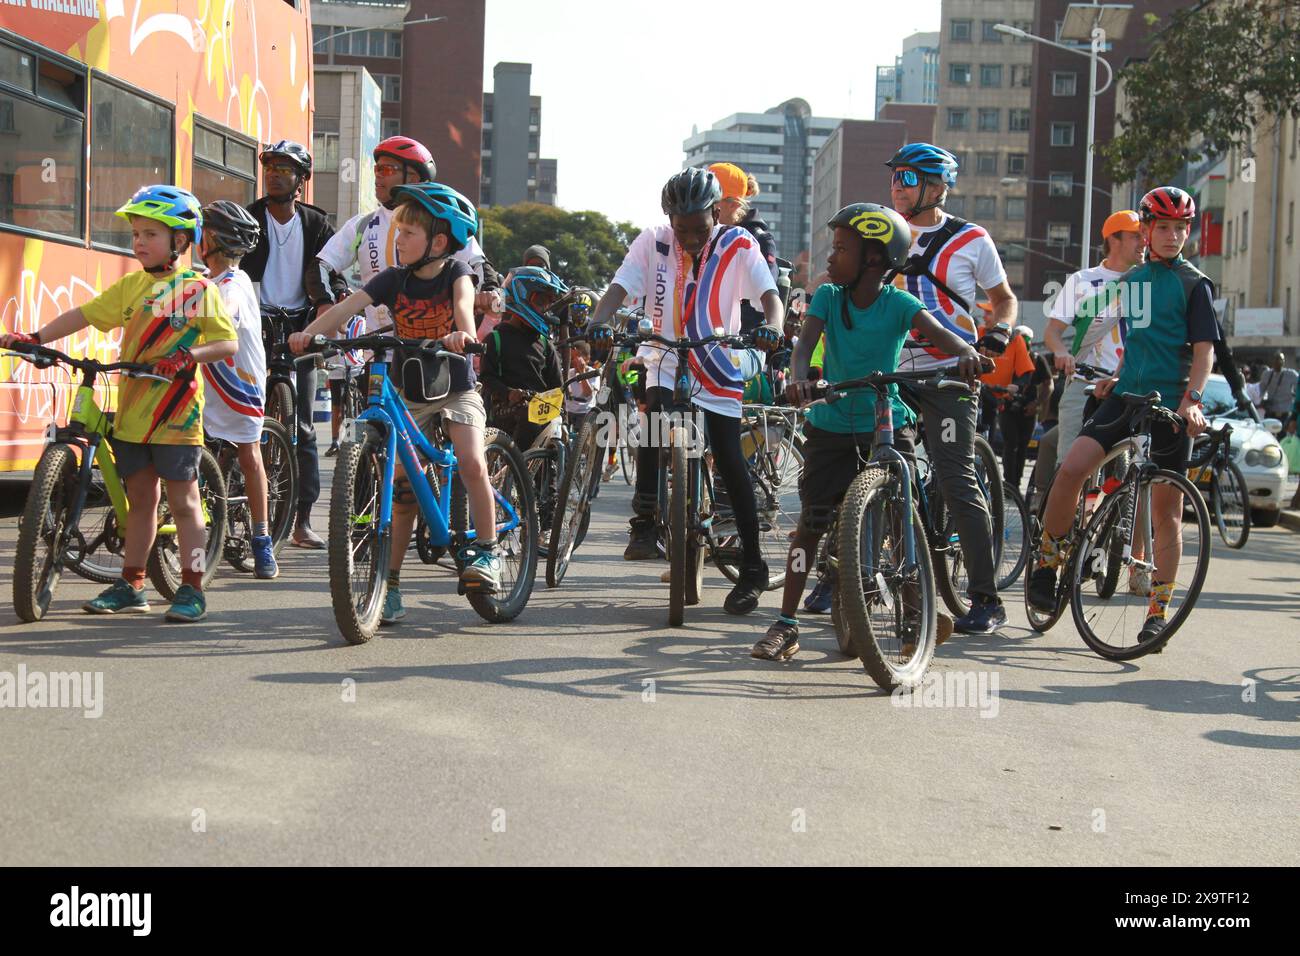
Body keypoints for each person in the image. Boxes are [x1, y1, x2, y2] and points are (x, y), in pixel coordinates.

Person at [753, 203, 987, 660]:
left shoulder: (900, 304)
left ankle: (915, 615)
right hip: (831, 425)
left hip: (886, 423)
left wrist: (967, 355)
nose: (830, 257)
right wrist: (801, 380)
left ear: (875, 260)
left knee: (904, 520)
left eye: (841, 249)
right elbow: (804, 346)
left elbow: (945, 336)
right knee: (810, 527)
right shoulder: (827, 297)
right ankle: (786, 622)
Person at [1, 186, 238, 621]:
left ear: (181, 241)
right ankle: (132, 583)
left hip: (176, 416)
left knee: (185, 503)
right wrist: (35, 338)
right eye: (135, 234)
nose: (139, 243)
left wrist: (189, 356)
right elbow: (85, 315)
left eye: (150, 234)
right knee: (141, 499)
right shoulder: (132, 286)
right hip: (132, 414)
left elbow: (227, 342)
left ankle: (193, 586)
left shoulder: (197, 289)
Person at [290, 182, 501, 621]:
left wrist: (462, 334)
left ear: (438, 242)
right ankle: (392, 582)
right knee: (403, 491)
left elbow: (464, 308)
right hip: (410, 392)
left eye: (407, 233)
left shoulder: (456, 273)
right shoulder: (392, 279)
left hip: (455, 386)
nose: (396, 239)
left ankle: (488, 551)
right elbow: (346, 308)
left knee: (471, 461)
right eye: (397, 231)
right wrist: (312, 334)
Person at [589, 167, 785, 615]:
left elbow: (769, 295)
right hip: (664, 352)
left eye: (700, 228)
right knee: (655, 426)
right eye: (683, 230)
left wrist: (772, 327)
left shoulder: (738, 244)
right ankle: (645, 522)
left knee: (729, 458)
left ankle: (752, 566)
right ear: (669, 220)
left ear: (717, 212)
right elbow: (619, 287)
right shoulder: (653, 240)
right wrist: (599, 321)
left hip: (715, 356)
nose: (691, 239)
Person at [1028, 186, 1215, 645]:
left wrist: (1192, 398)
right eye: (1163, 227)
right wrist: (1114, 374)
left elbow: (1203, 351)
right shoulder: (1131, 283)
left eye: (1180, 228)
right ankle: (1047, 565)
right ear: (1146, 230)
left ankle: (1157, 609)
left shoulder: (1195, 285)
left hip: (1170, 404)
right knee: (1071, 468)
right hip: (1126, 395)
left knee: (1166, 510)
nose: (1173, 236)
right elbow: (1132, 338)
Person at [886, 142, 1017, 634]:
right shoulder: (878, 228)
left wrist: (999, 333)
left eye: (909, 178)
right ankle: (843, 577)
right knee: (862, 458)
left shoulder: (971, 238)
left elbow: (1003, 298)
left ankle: (986, 599)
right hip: (890, 370)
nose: (898, 186)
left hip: (950, 372)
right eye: (895, 177)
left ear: (937, 187)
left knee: (956, 477)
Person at [241, 140, 346, 549]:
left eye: (285, 169)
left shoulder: (316, 224)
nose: (275, 175)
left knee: (303, 427)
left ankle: (301, 520)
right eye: (270, 168)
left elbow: (333, 271)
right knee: (239, 420)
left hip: (301, 329)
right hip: (254, 323)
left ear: (301, 180)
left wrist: (331, 304)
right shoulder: (249, 219)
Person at [196, 200, 278, 580]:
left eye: (202, 232)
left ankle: (262, 540)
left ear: (213, 240)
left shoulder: (234, 282)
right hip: (207, 376)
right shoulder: (204, 279)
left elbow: (224, 310)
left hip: (240, 382)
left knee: (249, 455)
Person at [1041, 209, 1144, 482]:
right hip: (1083, 383)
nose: (1144, 242)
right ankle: (1060, 524)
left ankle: (1114, 522)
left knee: (1122, 476)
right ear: (1114, 239)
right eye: (1136, 236)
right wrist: (1061, 352)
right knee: (1069, 468)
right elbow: (1052, 331)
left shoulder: (1146, 282)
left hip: (1127, 387)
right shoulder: (1081, 281)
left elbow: (1145, 339)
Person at [480, 266, 566, 453]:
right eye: (542, 301)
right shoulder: (496, 339)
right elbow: (487, 379)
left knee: (556, 442)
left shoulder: (545, 344)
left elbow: (557, 387)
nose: (546, 309)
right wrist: (509, 393)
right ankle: (519, 474)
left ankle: (548, 479)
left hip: (541, 410)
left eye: (549, 303)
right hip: (504, 410)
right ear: (522, 297)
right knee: (529, 417)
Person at [708, 162, 779, 334]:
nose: (704, 205)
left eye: (712, 200)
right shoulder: (698, 237)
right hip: (699, 334)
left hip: (741, 340)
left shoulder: (760, 240)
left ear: (734, 205)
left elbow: (763, 301)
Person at [981, 323, 1037, 488]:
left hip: (999, 399)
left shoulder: (1018, 342)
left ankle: (1011, 484)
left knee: (1000, 443)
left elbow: (1027, 373)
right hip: (978, 391)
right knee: (1009, 443)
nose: (987, 317)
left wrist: (1017, 386)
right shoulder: (980, 331)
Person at [1257, 351, 1298, 423]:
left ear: (1284, 361)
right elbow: (1261, 391)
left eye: (1280, 359)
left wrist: (1294, 396)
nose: (1278, 362)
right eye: (1276, 359)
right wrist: (1264, 401)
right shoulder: (1267, 374)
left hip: (1285, 412)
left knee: (1283, 433)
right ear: (1272, 361)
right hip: (1271, 411)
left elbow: (1298, 387)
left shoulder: (1291, 374)